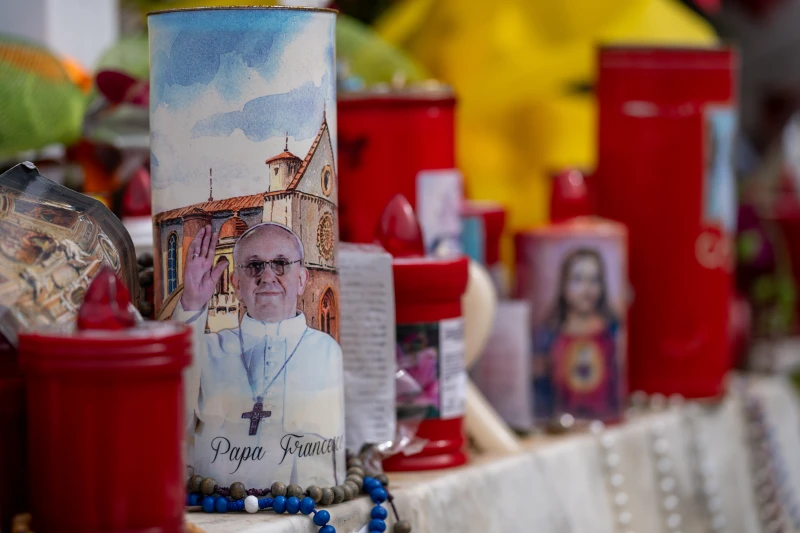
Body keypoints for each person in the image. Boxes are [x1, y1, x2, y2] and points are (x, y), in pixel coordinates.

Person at [174, 222, 345, 489]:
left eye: (280, 264)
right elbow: (171, 420)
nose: (267, 277)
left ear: (301, 280)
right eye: (254, 266)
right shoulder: (208, 351)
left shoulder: (327, 352)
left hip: (306, 507)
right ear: (236, 284)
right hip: (219, 509)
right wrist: (192, 304)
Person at [533, 248, 622, 422]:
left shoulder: (612, 330)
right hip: (562, 422)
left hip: (605, 420)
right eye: (578, 279)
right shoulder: (550, 333)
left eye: (594, 280)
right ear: (564, 285)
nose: (587, 288)